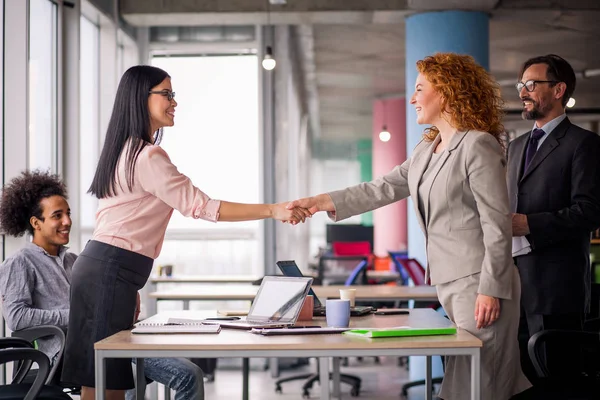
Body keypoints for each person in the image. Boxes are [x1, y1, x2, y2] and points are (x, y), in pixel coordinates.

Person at [287, 53, 531, 400]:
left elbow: (496, 224)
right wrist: (319, 201)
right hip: (451, 283)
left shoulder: (477, 145)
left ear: (446, 92)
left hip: (481, 284)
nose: (413, 98)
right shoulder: (426, 150)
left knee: (482, 382)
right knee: (466, 379)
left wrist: (491, 288)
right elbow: (381, 188)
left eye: (419, 89)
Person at [60, 65, 310, 400]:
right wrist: (273, 210)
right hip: (110, 269)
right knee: (109, 382)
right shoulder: (147, 156)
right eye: (167, 94)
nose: (174, 101)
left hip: (103, 267)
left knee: (99, 378)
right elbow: (203, 206)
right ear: (140, 98)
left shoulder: (122, 151)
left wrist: (128, 284)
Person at [0, 170, 204, 400]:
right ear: (36, 222)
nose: (67, 221)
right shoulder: (20, 262)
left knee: (168, 374)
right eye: (57, 215)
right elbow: (17, 317)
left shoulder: (75, 261)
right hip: (68, 353)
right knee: (184, 377)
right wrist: (78, 316)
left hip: (107, 337)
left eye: (68, 213)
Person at [507, 54, 600, 384]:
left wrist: (529, 224)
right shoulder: (515, 147)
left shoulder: (584, 144)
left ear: (559, 89)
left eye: (532, 84)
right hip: (512, 285)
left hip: (557, 288)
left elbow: (588, 212)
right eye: (521, 85)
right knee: (520, 381)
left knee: (557, 381)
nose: (523, 92)